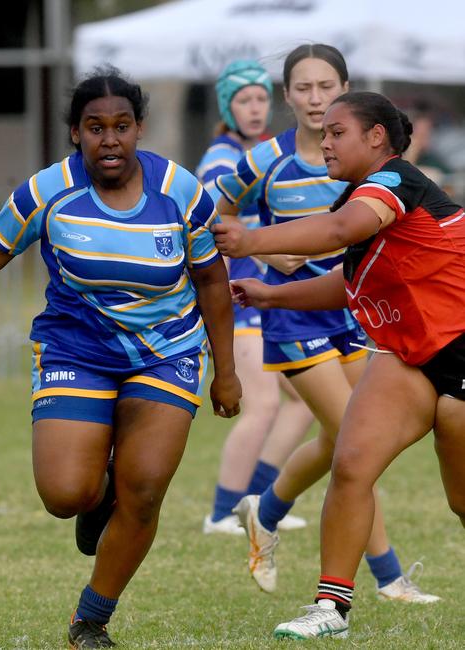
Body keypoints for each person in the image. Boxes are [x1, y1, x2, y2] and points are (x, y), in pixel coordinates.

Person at [0, 67, 241, 649]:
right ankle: (98, 491)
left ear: (140, 129)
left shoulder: (182, 191)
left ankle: (91, 620)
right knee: (65, 496)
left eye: (123, 126)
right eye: (95, 127)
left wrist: (225, 372)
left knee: (147, 488)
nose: (110, 139)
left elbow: (210, 279)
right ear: (75, 133)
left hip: (168, 351)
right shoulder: (46, 190)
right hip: (75, 348)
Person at [218, 90, 465, 639]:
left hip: (462, 350)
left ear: (376, 138)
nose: (324, 142)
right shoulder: (359, 199)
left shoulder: (395, 182)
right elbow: (350, 285)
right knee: (351, 464)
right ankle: (331, 608)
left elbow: (337, 234)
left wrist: (249, 238)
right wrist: (270, 295)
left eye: (336, 132)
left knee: (462, 500)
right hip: (409, 355)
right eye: (322, 132)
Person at [196, 59, 313, 536]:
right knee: (263, 403)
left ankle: (258, 500)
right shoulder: (221, 158)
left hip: (264, 297)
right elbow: (210, 225)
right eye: (243, 100)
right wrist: (278, 240)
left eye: (261, 98)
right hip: (235, 298)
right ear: (228, 107)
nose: (255, 107)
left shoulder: (264, 151)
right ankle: (221, 513)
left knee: (305, 400)